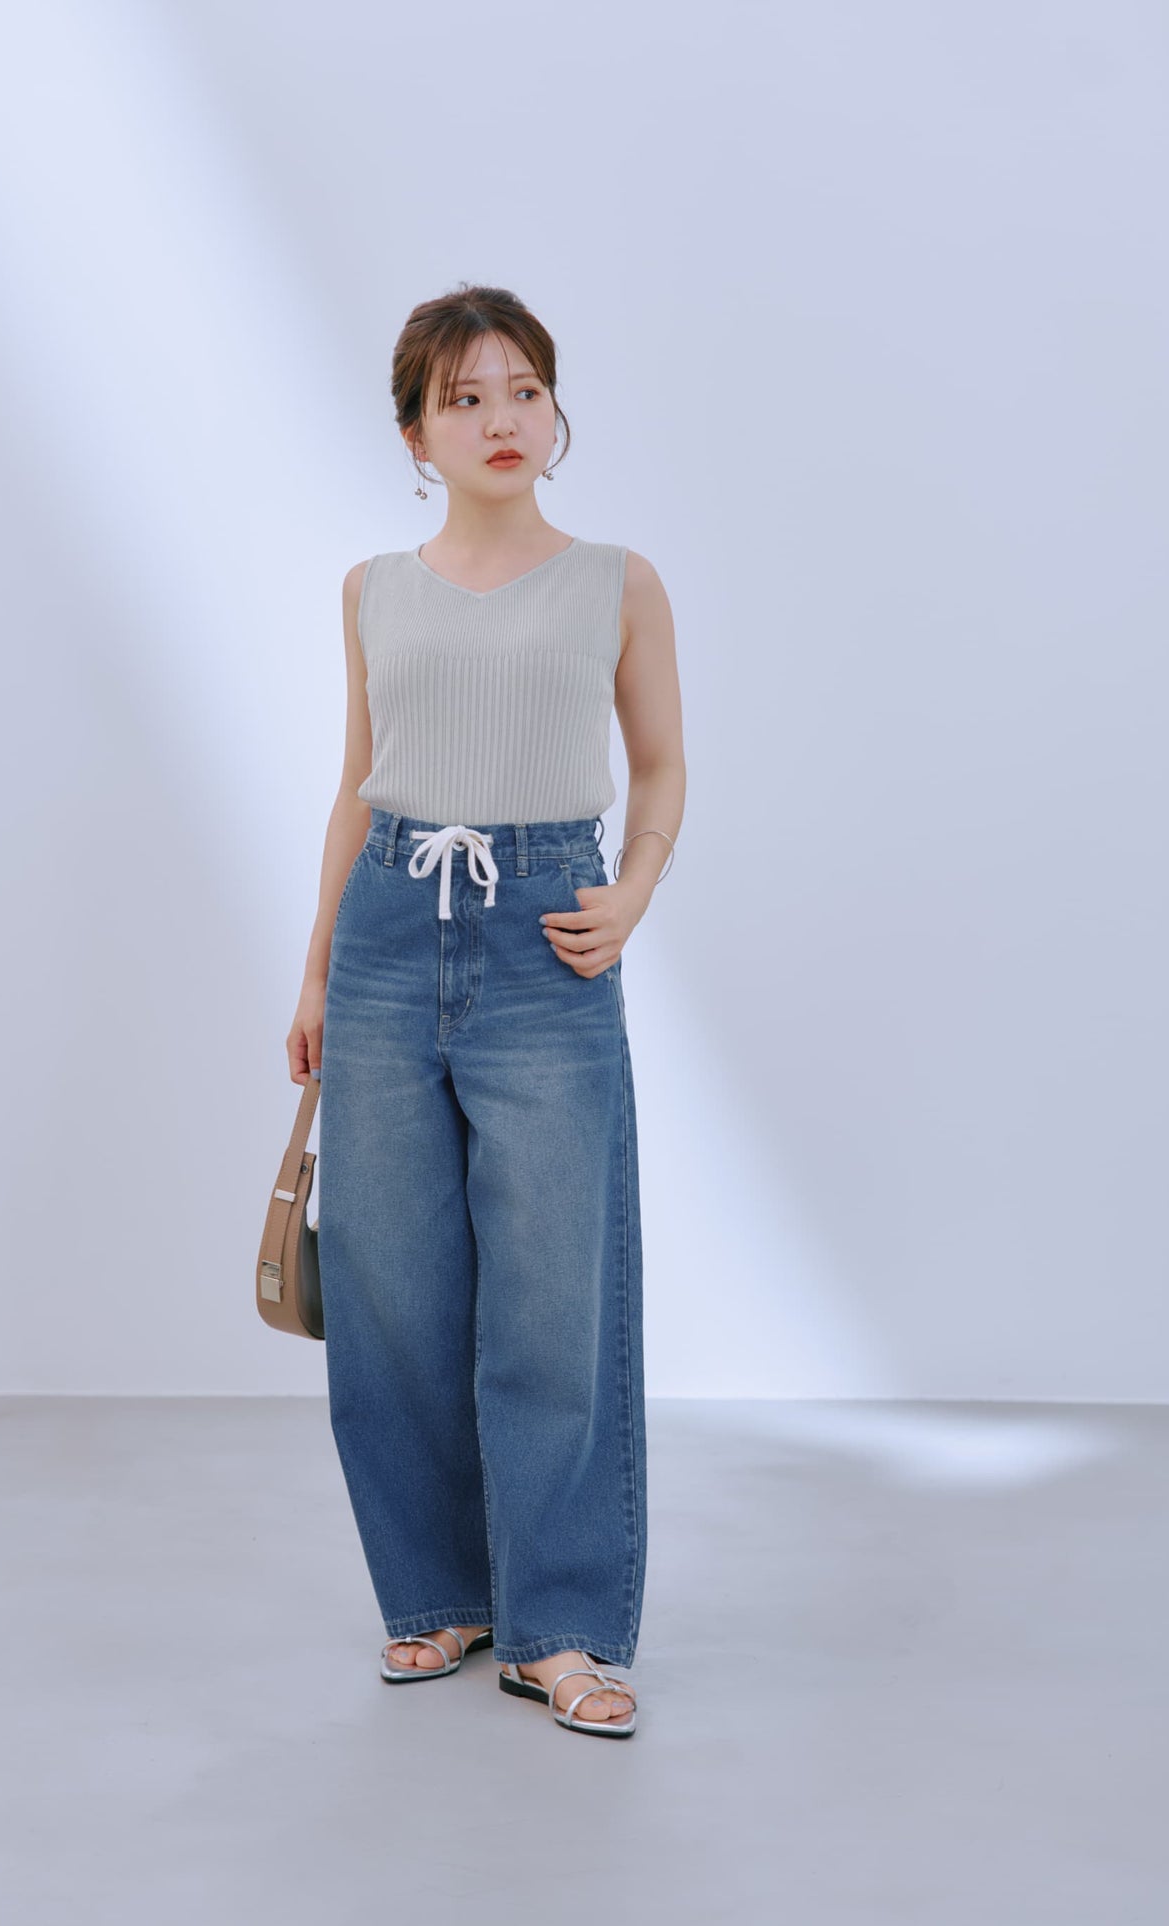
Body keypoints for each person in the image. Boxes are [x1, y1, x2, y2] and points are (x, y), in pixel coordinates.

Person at [285, 283, 685, 1738]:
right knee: (391, 1291)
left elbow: (659, 766)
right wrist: (319, 967)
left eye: (522, 389)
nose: (500, 419)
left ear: (553, 410)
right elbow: (357, 783)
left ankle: (562, 1627)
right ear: (416, 434)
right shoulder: (371, 591)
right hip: (390, 933)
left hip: (548, 942)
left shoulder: (616, 582)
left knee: (555, 1297)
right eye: (464, 399)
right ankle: (437, 1595)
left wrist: (631, 889)